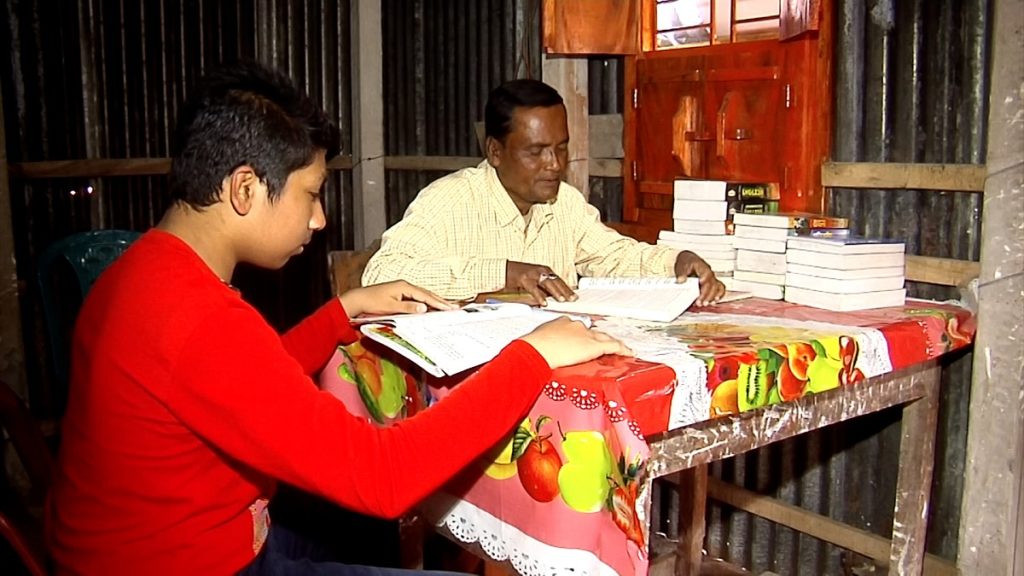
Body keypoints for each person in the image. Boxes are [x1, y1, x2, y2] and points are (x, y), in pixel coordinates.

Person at [45, 61, 631, 576]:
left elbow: (250, 381)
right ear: (245, 189)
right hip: (197, 562)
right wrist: (533, 355)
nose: (319, 219)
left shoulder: (145, 270)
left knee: (372, 532)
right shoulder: (198, 315)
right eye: (311, 193)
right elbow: (383, 476)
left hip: (177, 537)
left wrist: (344, 310)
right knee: (389, 514)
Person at [361, 78, 726, 306]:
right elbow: (380, 274)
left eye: (561, 148)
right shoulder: (448, 201)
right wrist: (502, 273)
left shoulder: (564, 202)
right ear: (495, 151)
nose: (554, 164)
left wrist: (674, 263)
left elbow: (613, 256)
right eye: (536, 152)